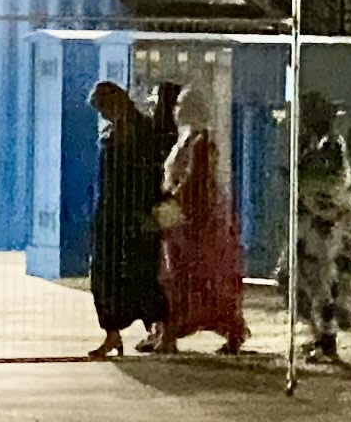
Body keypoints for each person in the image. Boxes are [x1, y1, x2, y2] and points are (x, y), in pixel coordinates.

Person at [84, 79, 171, 357]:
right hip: (110, 213)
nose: (103, 115)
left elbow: (151, 175)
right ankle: (112, 332)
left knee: (143, 272)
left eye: (104, 108)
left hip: (135, 212)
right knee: (105, 273)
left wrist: (149, 212)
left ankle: (161, 330)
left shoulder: (143, 131)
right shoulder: (113, 132)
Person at [160, 99, 253, 352]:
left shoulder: (201, 141)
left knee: (194, 275)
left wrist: (173, 199)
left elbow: (195, 179)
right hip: (189, 217)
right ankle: (174, 331)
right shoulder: (189, 139)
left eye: (181, 105)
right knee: (185, 275)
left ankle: (178, 332)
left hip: (197, 219)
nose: (176, 110)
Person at [291, 90, 351, 361]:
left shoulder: (329, 146)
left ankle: (326, 337)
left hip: (324, 226)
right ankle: (322, 333)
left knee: (316, 280)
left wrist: (299, 177)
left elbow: (323, 183)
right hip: (323, 224)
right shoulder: (318, 143)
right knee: (304, 279)